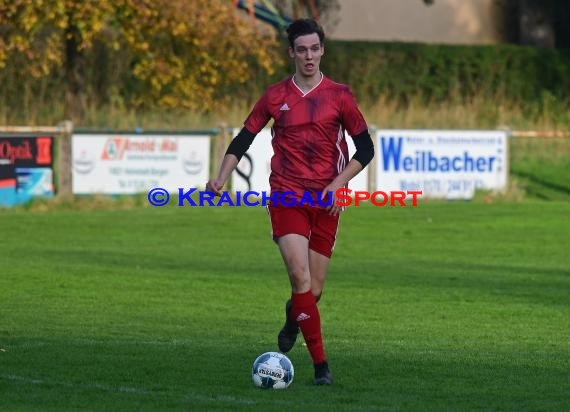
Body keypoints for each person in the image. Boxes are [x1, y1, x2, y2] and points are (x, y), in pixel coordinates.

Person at [206, 18, 374, 386]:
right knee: (300, 278)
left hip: (328, 200)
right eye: (302, 50)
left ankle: (292, 316)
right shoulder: (274, 96)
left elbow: (366, 148)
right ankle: (321, 367)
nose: (309, 56)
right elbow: (243, 139)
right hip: (286, 196)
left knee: (313, 291)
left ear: (323, 50)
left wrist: (339, 184)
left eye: (315, 49)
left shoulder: (340, 96)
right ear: (292, 53)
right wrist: (220, 177)